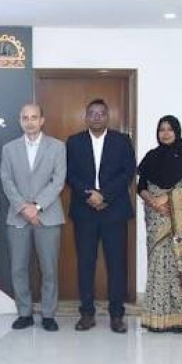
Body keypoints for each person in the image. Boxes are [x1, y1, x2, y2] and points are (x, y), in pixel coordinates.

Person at [137, 115, 182, 335]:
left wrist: (170, 199)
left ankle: (179, 319)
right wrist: (153, 201)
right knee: (158, 266)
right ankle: (157, 319)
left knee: (180, 268)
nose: (166, 133)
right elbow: (141, 186)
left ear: (177, 131)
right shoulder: (151, 157)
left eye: (170, 129)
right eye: (162, 129)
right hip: (156, 219)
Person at [66, 99, 136, 333]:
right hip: (84, 211)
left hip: (114, 211)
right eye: (92, 113)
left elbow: (127, 172)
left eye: (101, 113)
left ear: (108, 117)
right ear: (86, 117)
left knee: (117, 265)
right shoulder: (74, 142)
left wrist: (104, 195)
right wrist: (90, 194)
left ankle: (117, 315)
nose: (96, 117)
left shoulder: (122, 141)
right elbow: (70, 174)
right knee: (86, 264)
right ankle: (87, 314)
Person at [0, 104, 66, 332]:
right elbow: (6, 181)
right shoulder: (9, 149)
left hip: (48, 216)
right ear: (20, 121)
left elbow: (58, 181)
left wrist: (36, 207)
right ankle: (24, 313)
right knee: (18, 268)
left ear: (42, 120)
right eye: (25, 118)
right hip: (17, 217)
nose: (30, 122)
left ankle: (48, 314)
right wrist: (23, 208)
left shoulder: (57, 147)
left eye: (34, 117)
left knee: (49, 269)